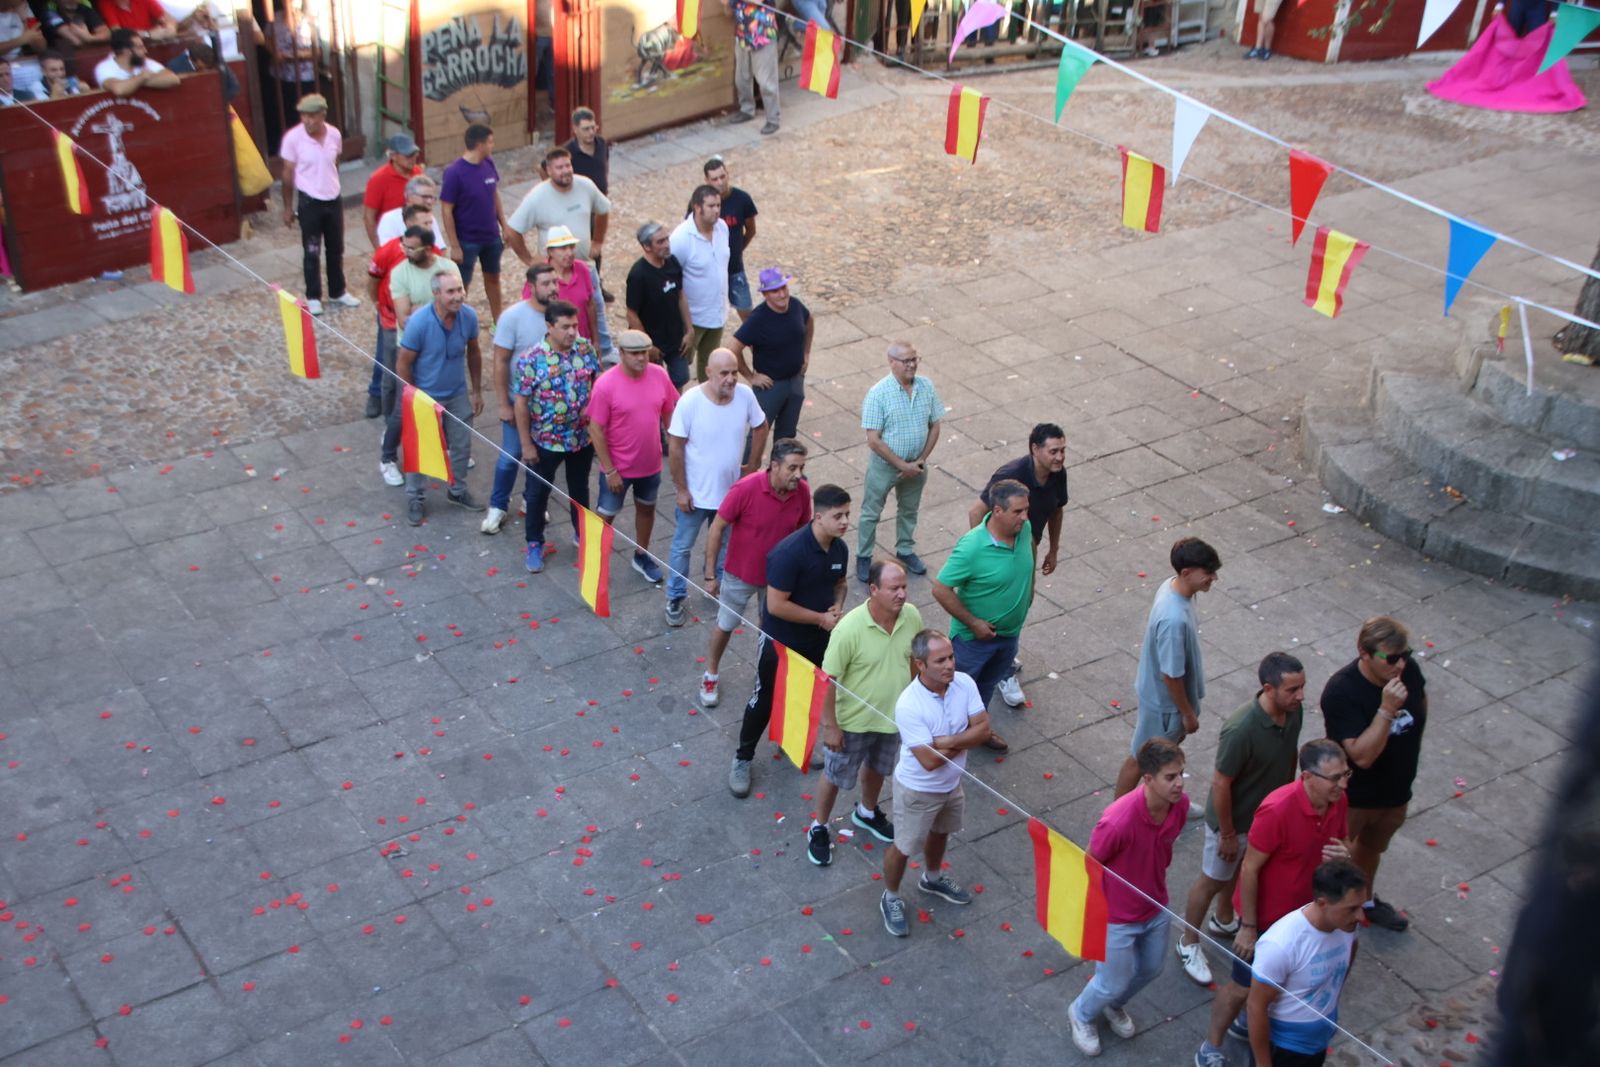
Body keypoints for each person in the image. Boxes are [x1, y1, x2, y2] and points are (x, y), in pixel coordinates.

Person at [1194, 739, 1352, 1067]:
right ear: (1307, 777)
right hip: (1267, 919)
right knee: (1241, 987)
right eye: (1334, 778)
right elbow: (1249, 867)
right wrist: (1248, 927)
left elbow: (1344, 842)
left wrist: (1346, 854)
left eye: (1345, 775)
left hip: (1306, 916)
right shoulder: (1277, 809)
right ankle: (1212, 1044)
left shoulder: (1338, 802)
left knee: (1281, 984)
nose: (1342, 784)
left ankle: (1246, 1025)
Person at [1176, 651, 1307, 988]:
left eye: (1301, 688)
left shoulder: (1293, 712)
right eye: (1293, 689)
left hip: (1265, 819)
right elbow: (1221, 783)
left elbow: (1290, 753)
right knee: (1212, 878)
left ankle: (1223, 918)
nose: (1301, 696)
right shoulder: (1241, 728)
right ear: (1268, 688)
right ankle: (1188, 941)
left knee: (1240, 870)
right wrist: (1228, 833)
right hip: (1234, 822)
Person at [1067, 737, 1190, 1056]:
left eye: (1181, 774)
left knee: (1151, 969)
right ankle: (1081, 1014)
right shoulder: (1118, 820)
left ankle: (1113, 1006)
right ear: (1147, 779)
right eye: (1170, 777)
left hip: (1155, 905)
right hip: (1117, 917)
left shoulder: (1181, 806)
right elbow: (1092, 862)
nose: (1179, 784)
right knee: (1109, 981)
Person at [729, 482, 848, 798]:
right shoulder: (789, 553)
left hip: (817, 640)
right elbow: (776, 605)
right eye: (838, 516)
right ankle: (743, 757)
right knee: (764, 698)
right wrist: (821, 618)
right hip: (780, 642)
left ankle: (792, 743)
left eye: (848, 515)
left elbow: (840, 583)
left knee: (805, 693)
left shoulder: (839, 548)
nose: (845, 522)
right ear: (818, 517)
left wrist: (837, 604)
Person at [878, 629, 991, 936]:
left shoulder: (964, 684)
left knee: (942, 832)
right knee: (903, 846)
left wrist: (947, 742)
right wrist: (964, 742)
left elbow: (984, 730)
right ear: (920, 665)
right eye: (940, 660)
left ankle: (932, 877)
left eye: (951, 657)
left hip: (952, 784)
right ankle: (890, 896)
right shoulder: (909, 705)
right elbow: (927, 762)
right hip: (918, 790)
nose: (950, 665)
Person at [809, 559, 920, 866]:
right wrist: (830, 726)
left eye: (904, 587)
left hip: (892, 718)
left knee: (878, 768)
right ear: (873, 590)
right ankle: (819, 825)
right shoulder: (849, 629)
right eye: (894, 588)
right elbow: (826, 680)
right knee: (834, 775)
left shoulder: (911, 617)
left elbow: (913, 658)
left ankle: (867, 812)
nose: (902, 594)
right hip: (853, 722)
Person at [1321, 615, 1427, 933]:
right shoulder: (1342, 691)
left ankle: (1364, 901)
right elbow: (1362, 757)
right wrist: (1387, 709)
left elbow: (1421, 704)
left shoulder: (1408, 672)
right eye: (1391, 658)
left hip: (1395, 793)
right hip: (1357, 799)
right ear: (1364, 653)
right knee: (1337, 860)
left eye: (1405, 655)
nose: (1400, 665)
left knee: (1371, 850)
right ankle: (1326, 914)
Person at [966, 422, 1071, 709]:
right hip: (1004, 548)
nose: (1060, 457)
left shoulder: (1057, 475)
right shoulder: (1010, 475)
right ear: (1035, 450)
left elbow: (1056, 509)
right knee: (1002, 602)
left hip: (1029, 545)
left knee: (1024, 599)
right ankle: (1002, 670)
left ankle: (1005, 652)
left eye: (1063, 450)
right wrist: (987, 553)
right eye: (1053, 451)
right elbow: (976, 513)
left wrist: (1053, 548)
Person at [664, 348, 768, 634]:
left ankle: (719, 584)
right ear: (708, 372)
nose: (731, 379)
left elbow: (761, 426)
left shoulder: (745, 396)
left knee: (727, 545)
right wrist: (681, 489)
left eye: (735, 372)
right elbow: (675, 447)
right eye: (724, 373)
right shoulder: (690, 403)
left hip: (730, 494)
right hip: (696, 496)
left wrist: (753, 465)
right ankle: (674, 596)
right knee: (682, 547)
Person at [930, 478, 1034, 753]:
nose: (1025, 517)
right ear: (997, 511)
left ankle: (978, 730)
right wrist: (974, 623)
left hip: (1008, 635)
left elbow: (1030, 558)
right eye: (1018, 512)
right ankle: (946, 742)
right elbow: (940, 589)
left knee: (986, 687)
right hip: (973, 641)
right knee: (956, 690)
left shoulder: (1024, 530)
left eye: (1026, 510)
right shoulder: (972, 547)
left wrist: (1029, 593)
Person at [702, 438, 808, 708]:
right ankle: (710, 673)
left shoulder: (803, 492)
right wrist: (710, 574)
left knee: (771, 631)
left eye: (801, 468)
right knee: (726, 624)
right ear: (774, 466)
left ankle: (765, 676)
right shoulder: (745, 489)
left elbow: (802, 532)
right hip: (740, 574)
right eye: (792, 468)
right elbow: (717, 527)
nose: (798, 475)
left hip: (778, 581)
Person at [1115, 536, 1221, 799]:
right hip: (1165, 705)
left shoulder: (1172, 587)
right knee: (1141, 759)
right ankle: (1117, 816)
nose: (1213, 578)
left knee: (1158, 757)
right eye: (1208, 573)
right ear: (1186, 573)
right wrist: (1187, 715)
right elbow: (1171, 675)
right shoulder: (1173, 619)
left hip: (1161, 700)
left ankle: (1160, 801)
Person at [1247, 860, 1367, 1067]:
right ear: (1322, 903)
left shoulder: (1346, 925)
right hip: (1284, 1050)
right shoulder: (1280, 945)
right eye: (1352, 908)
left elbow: (1348, 957)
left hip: (1318, 1042)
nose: (1361, 916)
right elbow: (1255, 1006)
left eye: (1362, 906)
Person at [513, 299, 602, 574]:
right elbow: (521, 403)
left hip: (580, 439)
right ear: (549, 326)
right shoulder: (531, 359)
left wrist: (594, 405)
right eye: (565, 327)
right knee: (538, 493)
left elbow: (597, 381)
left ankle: (581, 534)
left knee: (580, 490)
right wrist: (526, 444)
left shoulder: (585, 349)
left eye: (575, 325)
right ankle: (534, 542)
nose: (572, 332)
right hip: (546, 440)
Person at [395, 272, 485, 526]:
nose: (458, 296)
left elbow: (474, 352)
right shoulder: (420, 322)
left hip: (456, 393)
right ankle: (415, 497)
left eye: (460, 290)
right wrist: (413, 397)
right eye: (451, 292)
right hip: (425, 395)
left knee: (461, 446)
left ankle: (457, 491)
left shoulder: (468, 316)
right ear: (436, 293)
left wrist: (476, 390)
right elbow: (403, 363)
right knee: (419, 450)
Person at [587, 329, 677, 585]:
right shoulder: (605, 384)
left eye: (645, 352)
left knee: (647, 509)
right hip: (618, 468)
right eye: (635, 353)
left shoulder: (659, 375)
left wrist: (675, 444)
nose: (641, 358)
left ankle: (642, 554)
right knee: (606, 515)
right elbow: (595, 428)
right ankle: (593, 562)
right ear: (622, 354)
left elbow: (670, 411)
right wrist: (610, 470)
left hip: (650, 464)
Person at [366, 204, 441, 488]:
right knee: (394, 385)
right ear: (408, 224)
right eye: (424, 221)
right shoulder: (389, 254)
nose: (430, 225)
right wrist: (383, 308)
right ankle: (389, 445)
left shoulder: (439, 259)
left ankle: (435, 443)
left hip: (430, 336)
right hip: (393, 327)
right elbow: (374, 283)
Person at [483, 263, 559, 535]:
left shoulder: (559, 314)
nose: (552, 288)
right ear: (531, 286)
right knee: (512, 453)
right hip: (519, 401)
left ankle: (531, 499)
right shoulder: (512, 317)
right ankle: (497, 504)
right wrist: (503, 403)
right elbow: (501, 361)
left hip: (549, 405)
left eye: (554, 282)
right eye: (546, 283)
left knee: (538, 456)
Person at [856, 341, 941, 583]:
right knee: (871, 512)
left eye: (915, 359)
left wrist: (921, 460)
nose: (912, 365)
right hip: (885, 467)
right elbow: (873, 440)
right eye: (906, 361)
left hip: (917, 465)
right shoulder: (878, 394)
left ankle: (905, 549)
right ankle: (863, 555)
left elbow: (935, 424)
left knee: (909, 509)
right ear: (891, 363)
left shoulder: (926, 387)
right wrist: (902, 465)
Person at [279, 94, 357, 317]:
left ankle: (337, 291)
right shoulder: (293, 139)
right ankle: (313, 295)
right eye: (304, 115)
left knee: (336, 248)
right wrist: (287, 207)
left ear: (323, 115)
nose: (307, 120)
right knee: (311, 250)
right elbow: (287, 174)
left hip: (333, 198)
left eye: (312, 116)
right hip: (309, 200)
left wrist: (333, 183)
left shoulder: (334, 134)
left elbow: (335, 161)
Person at [727, 266, 811, 451]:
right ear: (765, 295)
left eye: (784, 288)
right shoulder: (758, 319)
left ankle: (782, 471)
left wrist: (806, 353)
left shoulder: (796, 306)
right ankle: (747, 471)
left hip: (795, 381)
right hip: (770, 387)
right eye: (775, 291)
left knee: (788, 434)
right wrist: (750, 376)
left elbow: (809, 320)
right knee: (758, 432)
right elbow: (733, 349)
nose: (782, 294)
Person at [440, 123, 510, 328]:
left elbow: (494, 194)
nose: (492, 145)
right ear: (480, 144)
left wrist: (504, 225)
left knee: (493, 278)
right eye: (490, 141)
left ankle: (499, 321)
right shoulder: (454, 172)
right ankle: (456, 324)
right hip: (467, 239)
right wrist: (454, 245)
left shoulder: (488, 163)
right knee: (462, 285)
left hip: (490, 236)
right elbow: (446, 209)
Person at [507, 145, 610, 265]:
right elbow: (513, 230)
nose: (566, 171)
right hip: (554, 271)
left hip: (585, 266)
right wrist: (529, 259)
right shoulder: (537, 196)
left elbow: (603, 209)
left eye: (568, 165)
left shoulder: (586, 185)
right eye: (559, 167)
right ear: (549, 171)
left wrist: (597, 241)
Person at [668, 184, 729, 381]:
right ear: (697, 207)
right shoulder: (681, 238)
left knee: (710, 367)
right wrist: (686, 326)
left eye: (718, 205)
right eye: (711, 206)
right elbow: (672, 278)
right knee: (680, 370)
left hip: (717, 313)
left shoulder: (722, 228)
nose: (717, 210)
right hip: (693, 318)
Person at [625, 221, 694, 390]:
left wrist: (690, 330)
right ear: (646, 246)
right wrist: (646, 345)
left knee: (681, 378)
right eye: (660, 242)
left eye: (667, 239)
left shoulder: (672, 263)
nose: (667, 244)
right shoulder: (638, 275)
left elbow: (680, 296)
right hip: (653, 342)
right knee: (652, 385)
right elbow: (631, 313)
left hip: (676, 340)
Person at [541, 224, 615, 364]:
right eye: (563, 248)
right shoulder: (542, 276)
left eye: (571, 247)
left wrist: (595, 340)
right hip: (555, 346)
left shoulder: (582, 269)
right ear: (550, 252)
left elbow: (590, 305)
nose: (569, 252)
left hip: (582, 343)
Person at [703, 156, 758, 323]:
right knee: (711, 317)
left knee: (748, 315)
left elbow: (751, 230)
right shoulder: (700, 202)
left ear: (727, 174)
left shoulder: (742, 199)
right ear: (707, 180)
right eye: (715, 179)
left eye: (722, 176)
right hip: (710, 271)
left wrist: (737, 250)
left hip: (735, 269)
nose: (720, 182)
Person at [563, 106, 611, 295]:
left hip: (597, 205)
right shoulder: (567, 151)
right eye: (586, 129)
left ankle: (596, 284)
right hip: (578, 207)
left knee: (596, 246)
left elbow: (604, 166)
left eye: (593, 127)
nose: (591, 132)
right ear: (575, 129)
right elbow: (544, 168)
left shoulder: (601, 144)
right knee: (580, 247)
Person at [388, 225, 461, 332]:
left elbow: (457, 305)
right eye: (404, 247)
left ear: (427, 250)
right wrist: (442, 308)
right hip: (415, 342)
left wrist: (419, 310)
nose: (405, 252)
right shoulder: (399, 274)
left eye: (411, 249)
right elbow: (404, 321)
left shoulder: (449, 267)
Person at [727, 0, 779, 135]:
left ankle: (773, 119)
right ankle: (747, 109)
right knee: (741, 77)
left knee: (766, 82)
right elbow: (727, 8)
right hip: (743, 34)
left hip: (763, 34)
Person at [363, 132, 423, 250]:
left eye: (414, 154)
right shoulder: (378, 179)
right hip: (392, 239)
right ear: (393, 156)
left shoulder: (417, 173)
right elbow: (368, 217)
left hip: (416, 235)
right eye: (408, 155)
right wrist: (379, 248)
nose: (413, 158)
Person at [94, 27, 179, 95]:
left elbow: (173, 79)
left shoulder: (145, 61)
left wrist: (136, 83)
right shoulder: (104, 67)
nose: (145, 50)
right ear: (126, 51)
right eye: (140, 47)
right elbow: (119, 90)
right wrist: (142, 77)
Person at [377, 175, 446, 248]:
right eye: (425, 197)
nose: (429, 201)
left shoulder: (429, 218)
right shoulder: (390, 219)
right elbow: (387, 251)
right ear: (409, 196)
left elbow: (440, 247)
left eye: (432, 198)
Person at [40, 0, 109, 59]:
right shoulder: (50, 11)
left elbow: (106, 33)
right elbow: (76, 41)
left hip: (87, 58)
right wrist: (91, 38)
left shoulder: (84, 8)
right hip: (60, 61)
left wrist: (89, 38)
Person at [98, 0, 176, 37]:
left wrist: (169, 28)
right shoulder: (105, 3)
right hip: (130, 51)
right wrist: (148, 34)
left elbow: (168, 18)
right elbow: (118, 32)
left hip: (153, 45)